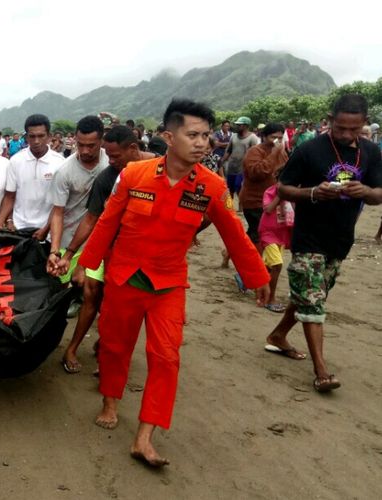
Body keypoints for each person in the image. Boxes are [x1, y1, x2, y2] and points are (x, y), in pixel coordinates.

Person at [78, 99, 270, 467]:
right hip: (124, 277)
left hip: (168, 284)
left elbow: (234, 234)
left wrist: (257, 275)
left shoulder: (211, 187)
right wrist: (86, 266)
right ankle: (110, 401)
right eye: (193, 134)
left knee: (166, 356)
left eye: (206, 135)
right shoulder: (134, 176)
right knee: (116, 347)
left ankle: (145, 436)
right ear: (169, 136)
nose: (202, 142)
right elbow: (106, 224)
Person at [265, 94, 382, 392]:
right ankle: (321, 370)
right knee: (313, 300)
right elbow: (284, 187)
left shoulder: (370, 152)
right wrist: (314, 193)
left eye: (353, 130)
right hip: (308, 238)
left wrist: (364, 191)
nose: (345, 134)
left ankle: (278, 336)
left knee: (310, 295)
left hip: (341, 239)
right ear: (330, 120)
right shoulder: (309, 149)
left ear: (363, 125)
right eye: (340, 127)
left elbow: (379, 194)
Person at [53, 126, 154, 373]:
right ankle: (72, 348)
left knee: (121, 306)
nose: (111, 161)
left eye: (115, 155)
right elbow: (91, 219)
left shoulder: (159, 168)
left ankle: (107, 348)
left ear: (133, 148)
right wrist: (68, 255)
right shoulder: (107, 179)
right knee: (91, 292)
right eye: (108, 156)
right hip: (106, 246)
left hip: (142, 253)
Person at [46, 116, 107, 288]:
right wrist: (55, 250)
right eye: (80, 145)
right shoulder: (64, 171)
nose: (85, 151)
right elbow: (58, 212)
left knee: (91, 286)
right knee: (64, 283)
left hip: (99, 238)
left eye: (91, 145)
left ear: (101, 141)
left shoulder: (111, 163)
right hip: (69, 236)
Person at [0, 114, 65, 239]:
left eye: (41, 136)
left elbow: (59, 204)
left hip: (47, 232)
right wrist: (2, 222)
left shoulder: (60, 163)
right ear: (26, 137)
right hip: (19, 229)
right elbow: (10, 196)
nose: (36, 141)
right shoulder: (16, 161)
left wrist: (46, 228)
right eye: (32, 136)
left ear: (49, 137)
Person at [240, 123, 288, 244]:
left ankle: (230, 252)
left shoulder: (281, 152)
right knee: (259, 234)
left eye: (280, 138)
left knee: (256, 233)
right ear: (264, 136)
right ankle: (257, 262)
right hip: (254, 201)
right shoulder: (254, 151)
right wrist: (274, 154)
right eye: (273, 137)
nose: (277, 140)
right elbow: (256, 173)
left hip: (273, 201)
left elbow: (287, 170)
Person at [258, 179, 294, 313]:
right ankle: (270, 299)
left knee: (267, 266)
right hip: (268, 232)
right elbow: (268, 209)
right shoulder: (271, 191)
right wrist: (280, 195)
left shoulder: (294, 194)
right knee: (277, 265)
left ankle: (245, 279)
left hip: (282, 234)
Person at [221, 116, 259, 204]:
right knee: (230, 188)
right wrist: (222, 161)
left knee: (238, 186)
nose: (237, 126)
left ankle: (241, 207)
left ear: (246, 126)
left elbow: (254, 153)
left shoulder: (252, 137)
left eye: (239, 125)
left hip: (243, 168)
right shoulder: (233, 137)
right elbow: (229, 150)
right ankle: (229, 206)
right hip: (232, 167)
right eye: (237, 125)